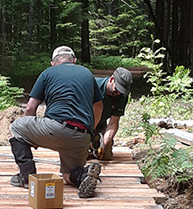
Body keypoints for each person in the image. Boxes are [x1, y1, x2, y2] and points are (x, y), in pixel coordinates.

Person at [9, 46, 104, 198]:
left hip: (56, 129)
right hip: (82, 135)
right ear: (74, 61)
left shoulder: (48, 73)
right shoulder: (87, 73)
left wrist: (31, 137)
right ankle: (82, 175)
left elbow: (30, 107)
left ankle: (26, 177)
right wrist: (91, 131)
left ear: (53, 63)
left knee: (16, 127)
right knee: (68, 175)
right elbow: (98, 106)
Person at [90, 67, 133, 160]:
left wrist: (105, 143)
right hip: (84, 124)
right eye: (117, 89)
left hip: (101, 125)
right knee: (79, 156)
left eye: (121, 91)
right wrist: (87, 137)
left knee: (106, 155)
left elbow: (113, 122)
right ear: (112, 79)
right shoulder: (94, 86)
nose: (118, 93)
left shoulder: (122, 96)